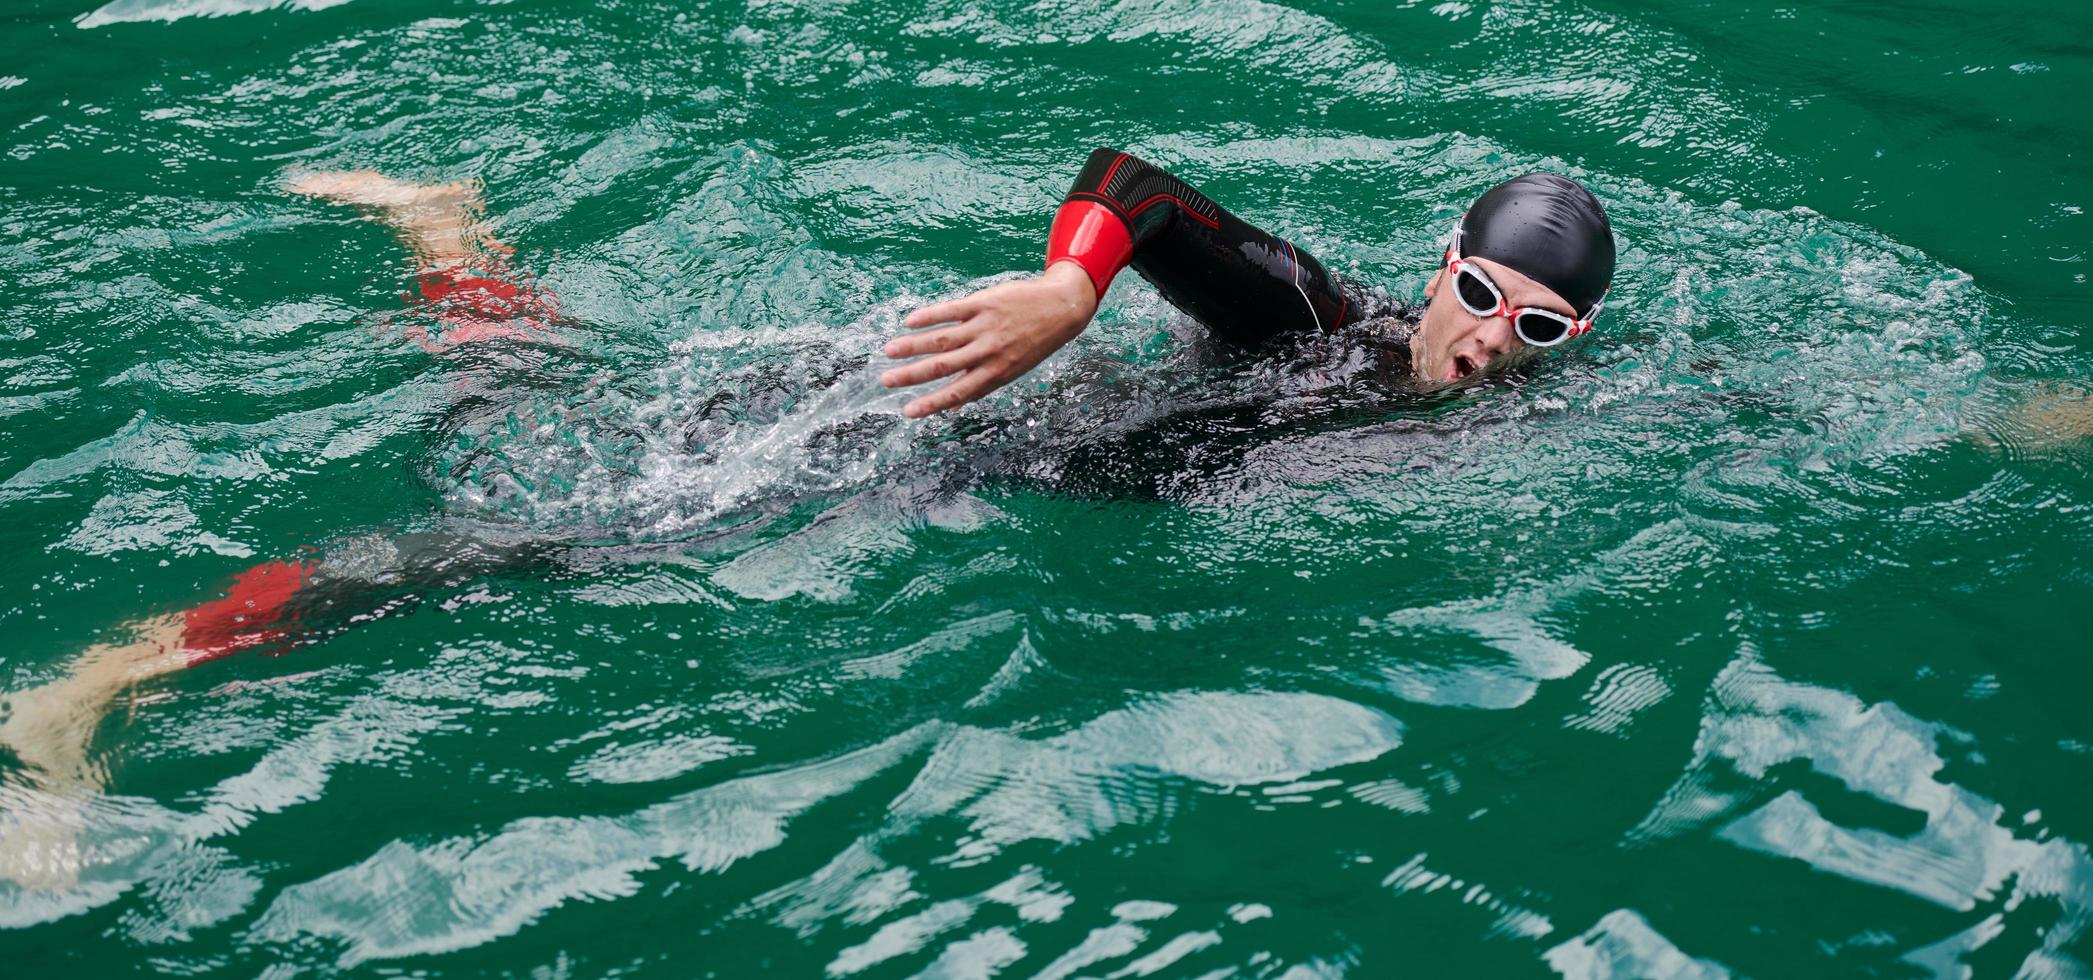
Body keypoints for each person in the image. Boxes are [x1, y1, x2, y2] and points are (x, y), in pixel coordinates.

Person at [879, 147, 1618, 417]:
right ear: (1440, 274)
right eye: (1481, 295)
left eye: (1539, 324)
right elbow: (1139, 188)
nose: (1493, 337)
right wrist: (1067, 290)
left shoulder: (1541, 405)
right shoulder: (1318, 319)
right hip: (970, 428)